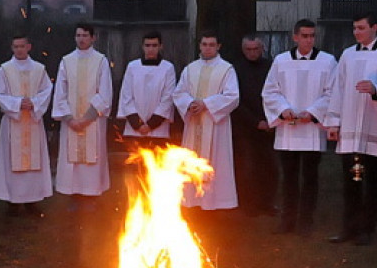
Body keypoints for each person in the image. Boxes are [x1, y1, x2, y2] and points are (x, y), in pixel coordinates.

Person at [323, 14, 377, 246]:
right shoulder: (348, 54)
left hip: (375, 126)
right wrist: (333, 121)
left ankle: (367, 229)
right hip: (350, 128)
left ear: (375, 28)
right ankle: (349, 228)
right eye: (354, 28)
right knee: (351, 183)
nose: (357, 32)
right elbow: (338, 88)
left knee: (373, 184)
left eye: (361, 28)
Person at [263, 19, 337, 236]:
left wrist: (313, 112)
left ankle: (305, 221)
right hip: (288, 129)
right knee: (289, 177)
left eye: (312, 36)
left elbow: (332, 92)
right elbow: (270, 91)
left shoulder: (327, 61)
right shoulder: (281, 61)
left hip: (312, 129)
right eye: (304, 36)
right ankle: (287, 220)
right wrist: (284, 109)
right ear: (295, 37)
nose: (308, 40)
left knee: (310, 177)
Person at [173, 31, 240, 210]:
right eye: (204, 44)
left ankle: (214, 204)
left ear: (218, 46)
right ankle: (192, 202)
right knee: (190, 161)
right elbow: (179, 92)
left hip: (215, 125)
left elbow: (232, 96)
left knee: (215, 163)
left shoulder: (226, 69)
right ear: (199, 45)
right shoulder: (190, 69)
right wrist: (190, 104)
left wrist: (207, 104)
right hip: (194, 123)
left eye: (211, 45)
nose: (207, 48)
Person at [0, 35, 53, 216]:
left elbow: (47, 90)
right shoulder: (4, 69)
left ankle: (32, 200)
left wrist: (34, 103)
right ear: (12, 47)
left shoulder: (39, 69)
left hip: (33, 121)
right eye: (16, 46)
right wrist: (18, 104)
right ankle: (13, 201)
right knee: (11, 161)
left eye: (22, 46)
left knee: (34, 161)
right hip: (13, 121)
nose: (19, 49)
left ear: (29, 46)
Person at [51, 24, 112, 205]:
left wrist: (87, 118)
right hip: (71, 121)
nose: (81, 39)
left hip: (92, 121)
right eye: (78, 35)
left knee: (92, 159)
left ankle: (91, 195)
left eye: (85, 35)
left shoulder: (101, 61)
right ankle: (74, 195)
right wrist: (69, 118)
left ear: (93, 38)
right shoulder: (66, 61)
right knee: (73, 161)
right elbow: (60, 91)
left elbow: (105, 92)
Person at [230, 35, 278, 216]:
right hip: (244, 126)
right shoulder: (235, 69)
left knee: (269, 166)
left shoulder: (271, 67)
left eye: (255, 49)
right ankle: (248, 204)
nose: (252, 53)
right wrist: (255, 122)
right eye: (248, 49)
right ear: (243, 50)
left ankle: (267, 203)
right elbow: (235, 100)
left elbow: (276, 93)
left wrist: (271, 120)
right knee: (247, 167)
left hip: (269, 124)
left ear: (262, 49)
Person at [117, 31, 176, 148]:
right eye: (147, 45)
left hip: (158, 129)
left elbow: (168, 98)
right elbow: (126, 96)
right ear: (142, 46)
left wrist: (151, 124)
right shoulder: (133, 67)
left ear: (160, 46)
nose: (150, 49)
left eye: (154, 45)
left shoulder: (167, 68)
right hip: (134, 129)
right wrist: (137, 124)